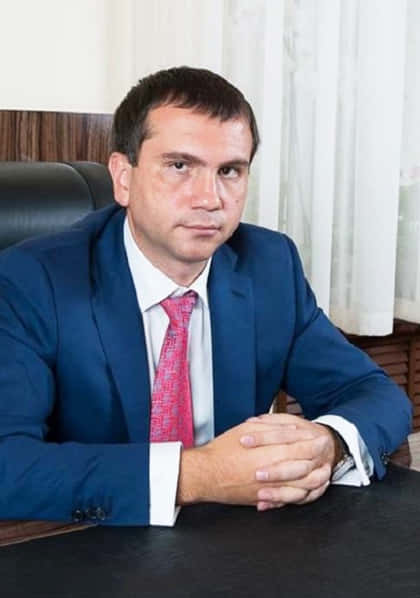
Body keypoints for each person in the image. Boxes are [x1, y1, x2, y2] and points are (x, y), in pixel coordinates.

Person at [0, 67, 411, 527]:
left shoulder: (269, 265)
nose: (209, 199)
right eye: (180, 166)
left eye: (230, 171)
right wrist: (197, 476)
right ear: (124, 177)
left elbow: (374, 395)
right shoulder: (32, 281)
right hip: (87, 543)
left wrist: (327, 444)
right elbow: (7, 463)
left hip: (237, 541)